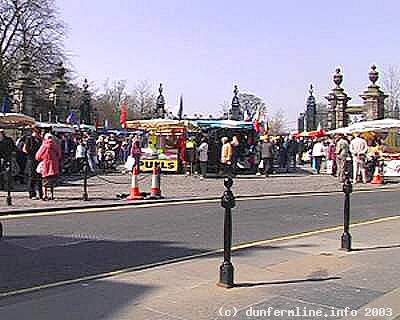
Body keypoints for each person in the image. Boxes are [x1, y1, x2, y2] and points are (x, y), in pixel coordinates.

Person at [35, 133, 62, 200]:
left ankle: (45, 195)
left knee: (45, 181)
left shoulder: (44, 145)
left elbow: (38, 156)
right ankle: (52, 195)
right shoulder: (56, 145)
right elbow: (59, 155)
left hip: (46, 165)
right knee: (52, 181)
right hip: (54, 165)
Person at [23, 132, 43, 199]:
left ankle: (41, 194)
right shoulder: (29, 139)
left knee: (39, 177)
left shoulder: (40, 140)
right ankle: (32, 194)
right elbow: (25, 149)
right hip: (31, 160)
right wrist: (30, 154)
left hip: (38, 160)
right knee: (32, 177)